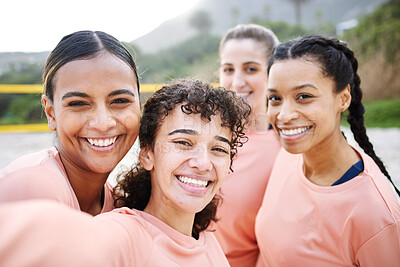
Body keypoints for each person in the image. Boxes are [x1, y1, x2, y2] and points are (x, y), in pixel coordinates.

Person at [0, 79, 250, 267]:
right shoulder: (127, 235)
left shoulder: (207, 240)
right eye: (183, 142)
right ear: (147, 154)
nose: (203, 162)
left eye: (218, 148)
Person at [255, 35, 400, 266]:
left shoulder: (375, 216)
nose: (283, 115)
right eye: (275, 98)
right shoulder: (287, 156)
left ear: (343, 99)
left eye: (303, 96)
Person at [0, 30, 141, 215]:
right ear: (51, 114)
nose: (102, 123)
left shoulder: (119, 205)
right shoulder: (31, 187)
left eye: (119, 101)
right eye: (78, 103)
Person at [214, 24, 282, 266]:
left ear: (273, 73)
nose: (237, 81)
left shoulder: (288, 149)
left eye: (251, 69)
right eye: (228, 69)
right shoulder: (200, 137)